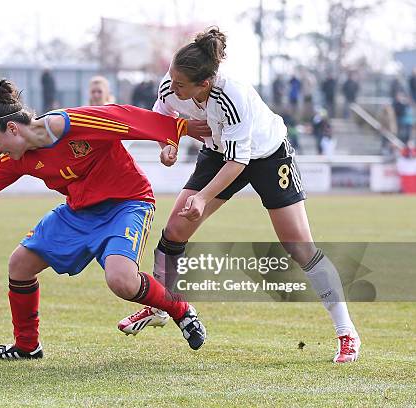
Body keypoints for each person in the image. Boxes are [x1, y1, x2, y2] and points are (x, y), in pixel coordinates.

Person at [0, 79, 207, 360]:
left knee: (121, 281)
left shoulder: (68, 123)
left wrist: (173, 131)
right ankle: (27, 346)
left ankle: (180, 310)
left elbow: (121, 116)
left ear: (12, 128)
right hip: (79, 212)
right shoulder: (16, 159)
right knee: (20, 264)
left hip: (127, 203)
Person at [119, 27, 360, 363]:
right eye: (171, 79)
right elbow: (162, 113)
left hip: (266, 156)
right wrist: (168, 143)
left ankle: (347, 332)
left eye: (180, 85)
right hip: (219, 153)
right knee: (174, 230)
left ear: (204, 84)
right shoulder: (174, 81)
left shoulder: (231, 95)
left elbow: (239, 162)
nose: (171, 87)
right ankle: (160, 305)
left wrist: (202, 198)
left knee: (300, 247)